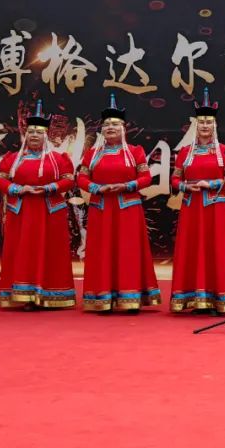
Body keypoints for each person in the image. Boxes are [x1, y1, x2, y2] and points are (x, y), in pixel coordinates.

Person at [76, 94, 161, 313]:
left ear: (123, 128)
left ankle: (130, 298)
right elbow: (82, 178)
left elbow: (146, 178)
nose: (110, 128)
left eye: (115, 124)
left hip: (128, 209)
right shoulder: (92, 154)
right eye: (106, 125)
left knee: (128, 251)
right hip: (101, 208)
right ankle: (102, 297)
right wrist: (97, 188)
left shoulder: (134, 152)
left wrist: (126, 185)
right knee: (101, 252)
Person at [169, 88, 225, 314]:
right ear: (196, 125)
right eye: (201, 122)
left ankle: (220, 298)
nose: (204, 126)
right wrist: (187, 186)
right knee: (192, 249)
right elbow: (175, 180)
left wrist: (210, 184)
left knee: (217, 250)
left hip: (217, 208)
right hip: (192, 208)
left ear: (215, 125)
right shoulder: (185, 152)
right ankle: (195, 298)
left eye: (208, 122)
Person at [0, 100, 76, 309]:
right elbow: (1, 180)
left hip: (49, 211)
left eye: (38, 132)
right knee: (22, 250)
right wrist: (18, 189)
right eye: (31, 131)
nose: (34, 135)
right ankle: (25, 294)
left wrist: (49, 188)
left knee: (50, 250)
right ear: (25, 134)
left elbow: (69, 181)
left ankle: (51, 294)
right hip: (21, 211)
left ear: (46, 135)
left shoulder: (58, 159)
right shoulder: (13, 159)